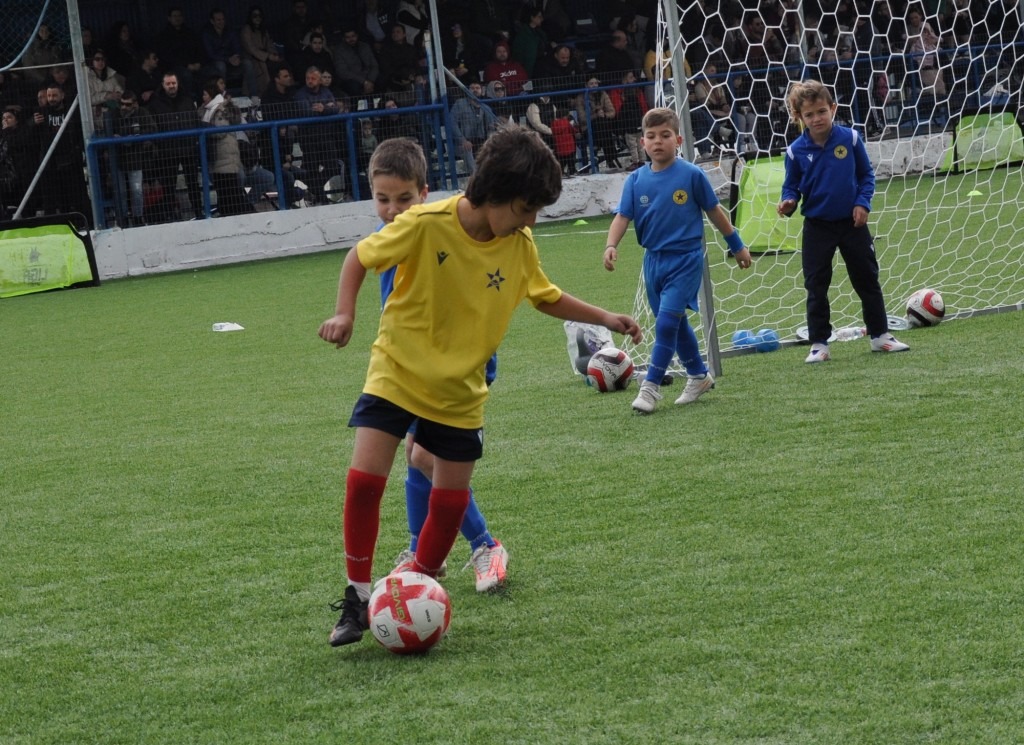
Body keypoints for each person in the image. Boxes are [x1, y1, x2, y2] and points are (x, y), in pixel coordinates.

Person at [318, 124, 642, 647]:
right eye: (525, 208)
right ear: (494, 192)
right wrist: (344, 313)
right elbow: (359, 257)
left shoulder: (519, 243)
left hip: (461, 391)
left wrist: (604, 316)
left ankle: (418, 583)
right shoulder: (425, 223)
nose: (530, 220)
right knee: (364, 482)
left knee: (449, 501)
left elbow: (543, 294)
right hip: (396, 373)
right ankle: (356, 597)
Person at [363, 138, 511, 593]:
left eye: (404, 199)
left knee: (426, 456)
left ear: (424, 193)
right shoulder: (391, 237)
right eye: (383, 200)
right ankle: (422, 550)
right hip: (412, 367)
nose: (393, 210)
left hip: (456, 365)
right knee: (416, 454)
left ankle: (485, 545)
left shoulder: (433, 230)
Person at [603, 107, 752, 414]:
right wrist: (611, 245)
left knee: (667, 323)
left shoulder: (691, 175)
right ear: (643, 142)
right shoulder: (636, 180)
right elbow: (622, 216)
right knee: (675, 323)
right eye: (651, 136)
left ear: (679, 140)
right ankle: (698, 375)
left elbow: (714, 212)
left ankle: (650, 387)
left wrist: (737, 245)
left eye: (665, 135)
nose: (658, 141)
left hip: (685, 260)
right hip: (653, 262)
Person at [777, 80, 909, 363]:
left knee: (867, 278)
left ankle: (880, 335)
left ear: (833, 109)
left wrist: (862, 203)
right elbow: (791, 187)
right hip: (817, 227)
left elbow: (866, 175)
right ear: (799, 117)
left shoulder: (850, 139)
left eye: (821, 111)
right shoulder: (795, 151)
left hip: (852, 224)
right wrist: (788, 202)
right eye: (809, 114)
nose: (817, 118)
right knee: (816, 285)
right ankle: (819, 344)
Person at [146, 71, 203, 222]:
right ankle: (170, 215)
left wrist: (193, 140)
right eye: (168, 84)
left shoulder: (187, 100)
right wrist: (160, 144)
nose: (171, 86)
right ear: (163, 85)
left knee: (193, 184)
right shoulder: (155, 104)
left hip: (188, 149)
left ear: (178, 84)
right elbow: (152, 127)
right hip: (167, 151)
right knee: (168, 186)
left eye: (173, 83)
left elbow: (195, 121)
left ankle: (199, 213)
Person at [113, 91, 158, 226]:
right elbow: (108, 132)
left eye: (127, 105)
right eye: (122, 104)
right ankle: (123, 218)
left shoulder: (142, 113)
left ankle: (138, 217)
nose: (124, 107)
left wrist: (135, 137)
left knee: (136, 190)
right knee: (120, 191)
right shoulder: (114, 114)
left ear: (135, 104)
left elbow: (152, 129)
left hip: (136, 158)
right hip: (118, 158)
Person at [448, 81, 498, 174]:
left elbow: (491, 127)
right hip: (463, 143)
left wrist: (489, 142)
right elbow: (452, 123)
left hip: (482, 141)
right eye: (472, 88)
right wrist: (462, 140)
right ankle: (476, 176)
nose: (475, 90)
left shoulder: (486, 107)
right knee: (467, 148)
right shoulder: (460, 104)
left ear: (482, 91)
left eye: (477, 88)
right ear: (467, 90)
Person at [240, 6, 281, 98]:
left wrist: (274, 54)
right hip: (251, 58)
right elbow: (250, 48)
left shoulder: (263, 30)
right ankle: (255, 96)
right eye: (255, 16)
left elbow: (269, 44)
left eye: (259, 16)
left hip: (263, 57)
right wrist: (267, 56)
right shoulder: (246, 29)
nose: (257, 18)